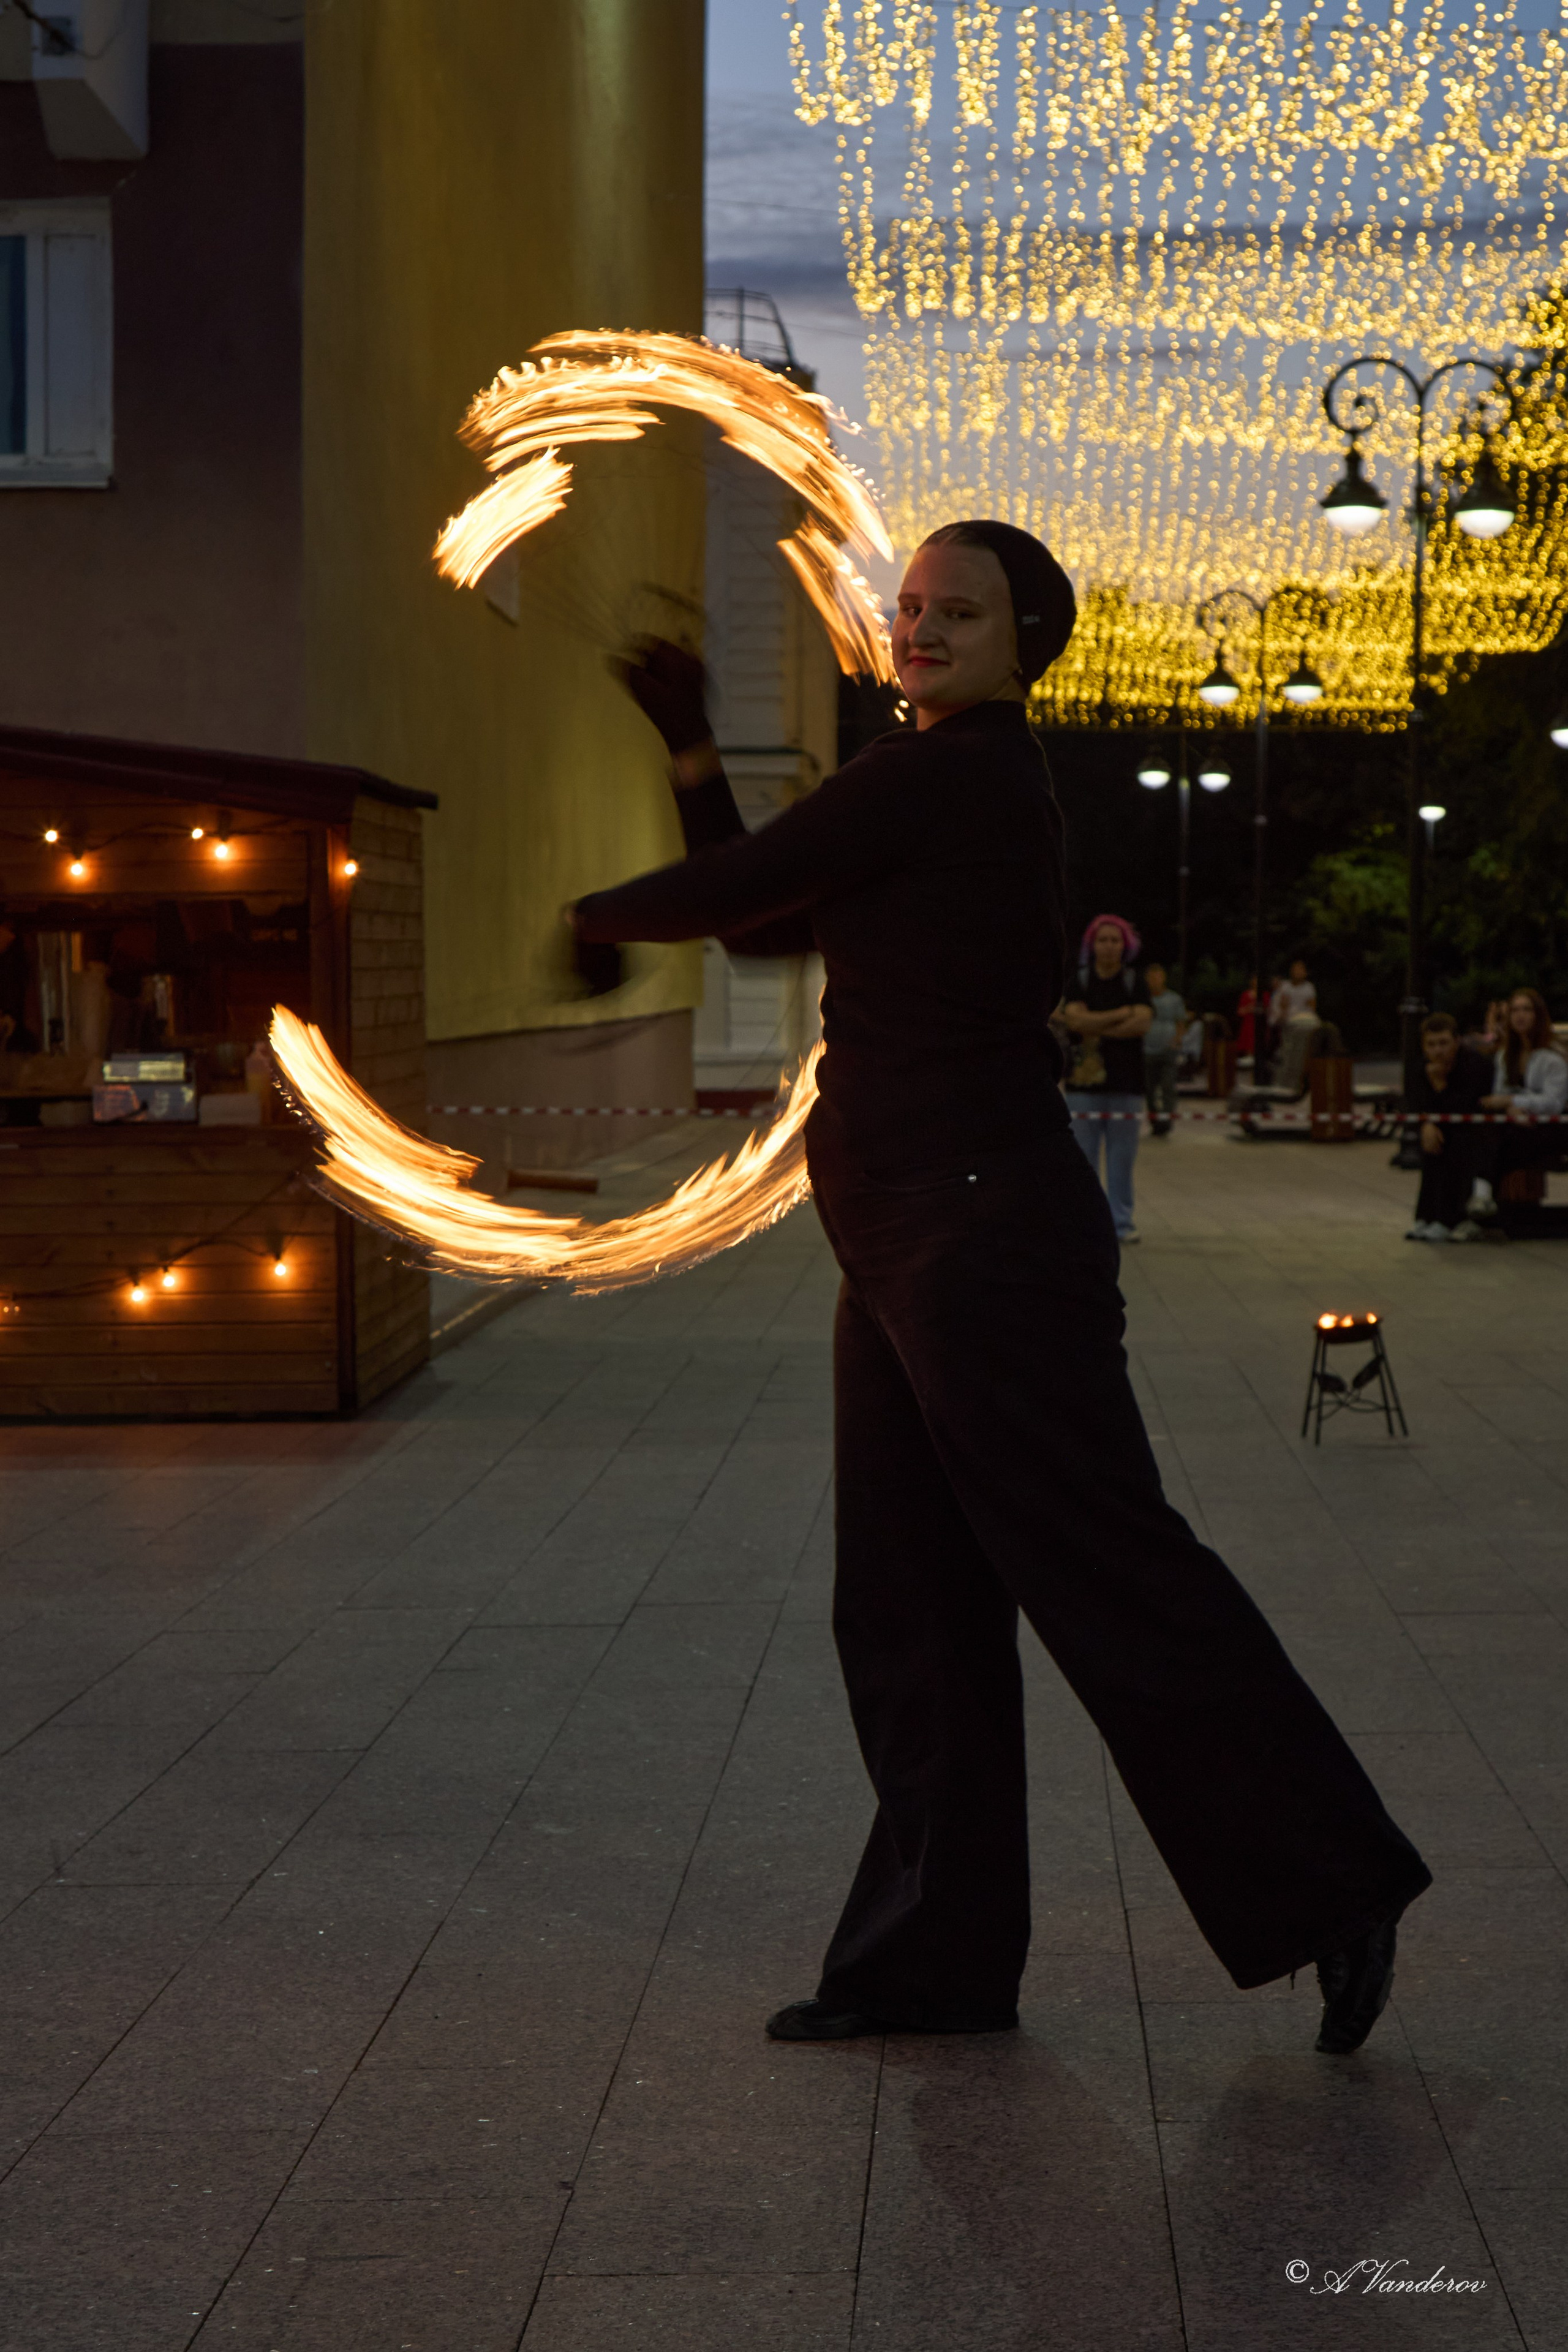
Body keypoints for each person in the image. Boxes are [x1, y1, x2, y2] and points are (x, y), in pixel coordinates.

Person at [569, 517, 1430, 2059]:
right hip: (902, 1231)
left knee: (1100, 1568)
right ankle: (929, 1962)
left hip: (980, 1237)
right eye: (906, 607)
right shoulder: (922, 779)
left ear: (1023, 637)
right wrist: (694, 739)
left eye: (953, 610)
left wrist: (585, 923)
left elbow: (748, 885)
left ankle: (1328, 1883)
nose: (917, 628)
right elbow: (771, 913)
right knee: (906, 1599)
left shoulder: (955, 770)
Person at [1062, 918, 1152, 1236]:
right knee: (1082, 1161)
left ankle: (1121, 1222)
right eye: (1103, 940)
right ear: (1092, 944)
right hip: (1082, 1086)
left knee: (1121, 1159)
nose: (1110, 946)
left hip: (1127, 1085)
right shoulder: (1080, 981)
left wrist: (1093, 1023)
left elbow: (1142, 1023)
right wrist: (1119, 1015)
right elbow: (1073, 1020)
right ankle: (1087, 1224)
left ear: (1125, 944)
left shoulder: (1134, 981)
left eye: (1115, 940)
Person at [1466, 987, 1568, 1221]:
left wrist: (1513, 1101)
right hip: (1514, 1122)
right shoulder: (1506, 1056)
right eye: (1515, 1010)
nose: (1520, 1016)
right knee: (1480, 1131)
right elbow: (1499, 1093)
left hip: (1548, 1126)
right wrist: (1510, 1107)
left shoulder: (1552, 1057)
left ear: (1538, 1015)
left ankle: (1483, 1193)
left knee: (1498, 1138)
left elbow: (1553, 1103)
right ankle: (1477, 1200)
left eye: (1526, 1010)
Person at [1407, 1013, 1491, 1240]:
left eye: (1444, 1043)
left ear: (1457, 1041)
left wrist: (1440, 1085)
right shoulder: (1422, 1068)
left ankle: (1448, 1218)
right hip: (1441, 1127)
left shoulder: (1473, 1064)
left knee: (1453, 1147)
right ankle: (1425, 1216)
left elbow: (1466, 1105)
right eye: (1431, 1045)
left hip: (1475, 1130)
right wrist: (1427, 1124)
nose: (1438, 1051)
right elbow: (1417, 1103)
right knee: (1432, 1146)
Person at [1142, 960, 1187, 1137]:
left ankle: (1167, 1119)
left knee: (1168, 1086)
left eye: (1158, 976)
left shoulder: (1174, 999)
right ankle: (1155, 1120)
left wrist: (1177, 1040)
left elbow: (1181, 1023)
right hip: (1147, 1050)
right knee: (1150, 1088)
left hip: (1168, 1050)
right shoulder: (1144, 999)